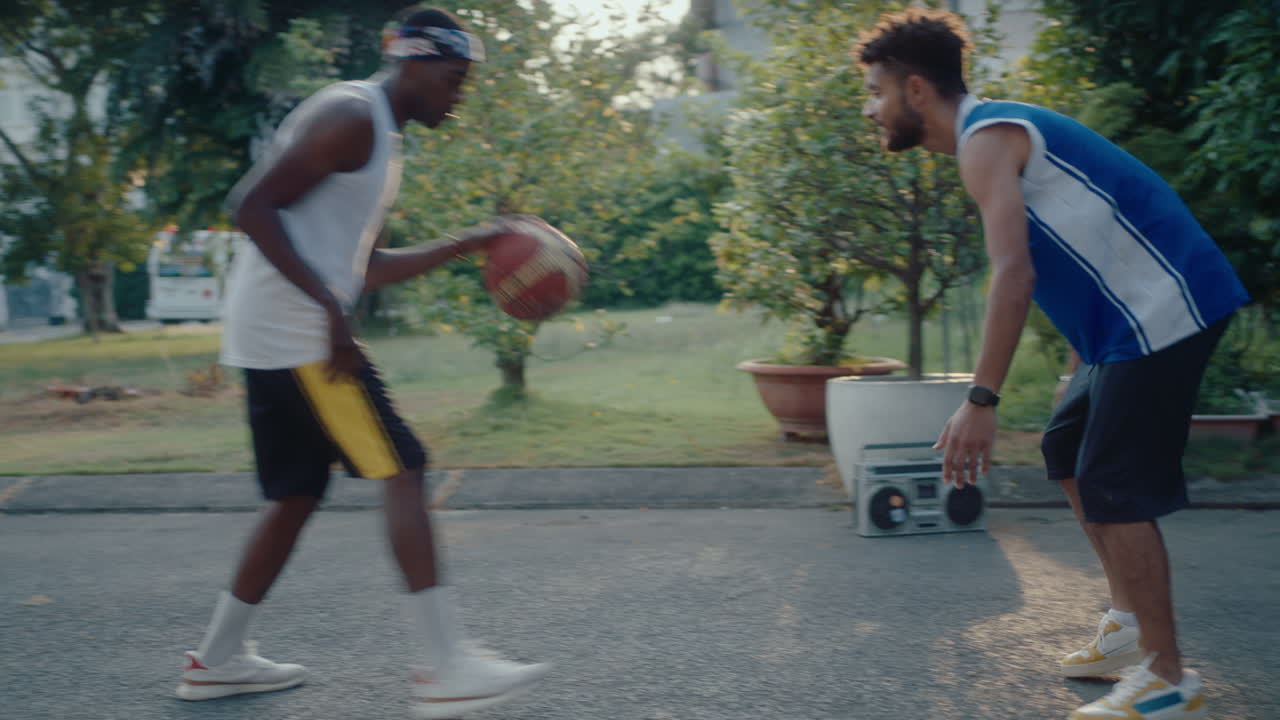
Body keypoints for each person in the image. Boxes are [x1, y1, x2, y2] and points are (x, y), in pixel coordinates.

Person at [856, 9, 1248, 720]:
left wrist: (981, 398)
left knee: (1113, 483)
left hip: (1167, 308)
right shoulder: (992, 135)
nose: (869, 108)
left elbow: (1015, 275)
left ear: (916, 90)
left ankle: (1168, 680)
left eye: (876, 91)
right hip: (1122, 327)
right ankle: (1130, 629)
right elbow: (1080, 245)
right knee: (1068, 449)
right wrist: (1079, 359)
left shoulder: (986, 138)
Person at [175, 7, 551, 718]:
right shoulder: (352, 114)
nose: (460, 92)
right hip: (300, 338)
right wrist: (327, 310)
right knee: (402, 467)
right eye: (454, 76)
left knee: (295, 495)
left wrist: (474, 241)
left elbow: (363, 266)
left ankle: (217, 660)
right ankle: (444, 667)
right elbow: (251, 206)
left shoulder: (382, 138)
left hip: (278, 331)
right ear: (412, 62)